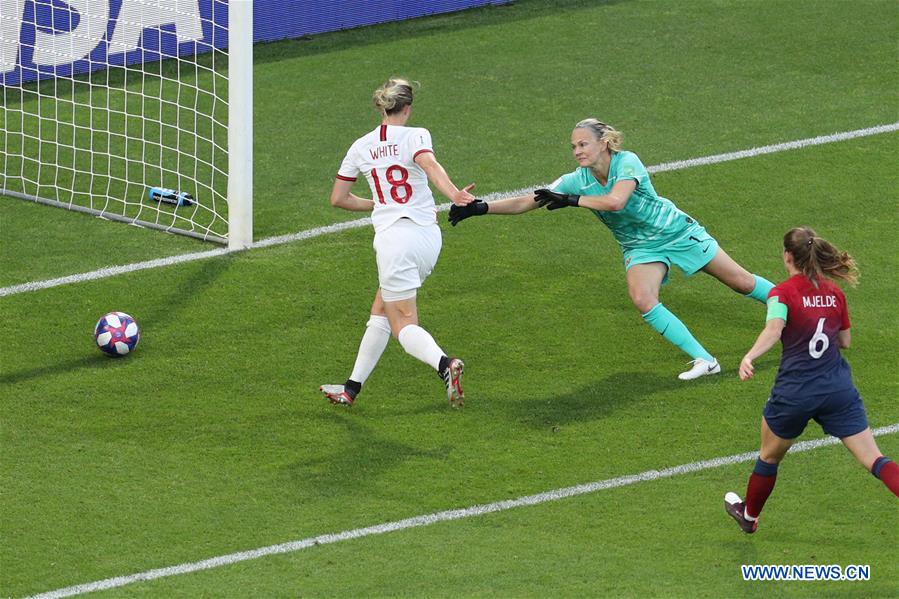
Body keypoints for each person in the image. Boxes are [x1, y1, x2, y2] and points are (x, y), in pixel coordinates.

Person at [449, 118, 774, 379]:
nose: (577, 150)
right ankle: (705, 359)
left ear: (603, 143)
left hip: (675, 232)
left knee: (741, 282)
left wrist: (573, 201)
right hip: (640, 247)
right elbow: (528, 201)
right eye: (574, 146)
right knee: (642, 298)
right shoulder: (578, 179)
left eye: (583, 143)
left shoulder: (626, 162)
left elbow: (617, 202)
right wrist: (479, 208)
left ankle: (811, 312)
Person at [724, 227, 898, 533]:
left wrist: (749, 356)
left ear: (787, 256)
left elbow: (774, 329)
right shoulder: (835, 293)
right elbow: (845, 341)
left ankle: (749, 517)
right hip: (837, 390)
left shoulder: (782, 293)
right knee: (874, 459)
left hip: (795, 392)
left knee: (769, 456)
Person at [319, 78, 475, 407]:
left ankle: (445, 365)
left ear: (382, 107)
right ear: (407, 108)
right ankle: (351, 389)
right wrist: (455, 195)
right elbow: (429, 165)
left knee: (402, 323)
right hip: (427, 238)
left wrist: (378, 203)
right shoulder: (417, 135)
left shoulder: (359, 147)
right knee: (381, 309)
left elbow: (338, 198)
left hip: (394, 241)